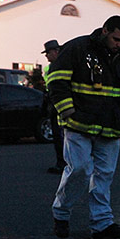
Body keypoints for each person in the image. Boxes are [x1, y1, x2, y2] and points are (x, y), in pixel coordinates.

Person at [47, 16, 120, 239]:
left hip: (110, 126)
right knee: (79, 169)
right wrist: (68, 111)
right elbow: (56, 81)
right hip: (79, 124)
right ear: (105, 30)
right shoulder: (77, 48)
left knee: (104, 176)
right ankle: (61, 212)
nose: (119, 44)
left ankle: (102, 223)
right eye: (116, 39)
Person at [41, 39, 66, 174]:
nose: (46, 56)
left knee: (62, 136)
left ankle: (64, 163)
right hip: (54, 106)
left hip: (61, 107)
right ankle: (61, 162)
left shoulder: (61, 66)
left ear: (56, 52)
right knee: (58, 136)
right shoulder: (51, 68)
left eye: (48, 53)